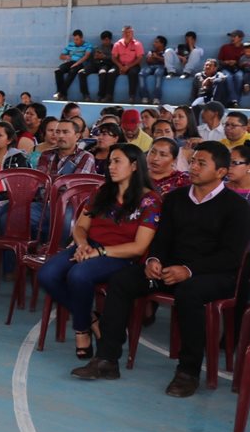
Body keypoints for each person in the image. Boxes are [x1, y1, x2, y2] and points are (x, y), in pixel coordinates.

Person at [72, 141, 250, 397]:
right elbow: (162, 238)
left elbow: (230, 256)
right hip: (168, 270)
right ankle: (106, 360)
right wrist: (153, 260)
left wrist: (188, 270)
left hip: (214, 275)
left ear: (221, 172)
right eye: (193, 162)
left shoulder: (237, 208)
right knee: (122, 280)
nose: (194, 167)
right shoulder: (176, 199)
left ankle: (188, 372)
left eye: (202, 163)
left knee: (189, 293)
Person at [38, 144, 161, 358]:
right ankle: (90, 318)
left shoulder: (150, 201)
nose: (110, 166)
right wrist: (83, 244)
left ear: (133, 166)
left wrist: (99, 252)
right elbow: (80, 227)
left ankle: (81, 329)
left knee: (79, 274)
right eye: (110, 161)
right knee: (47, 274)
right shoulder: (103, 191)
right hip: (89, 247)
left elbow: (139, 247)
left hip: (121, 255)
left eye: (117, 161)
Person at [54, 29, 93, 100]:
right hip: (71, 62)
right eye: (74, 39)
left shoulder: (88, 45)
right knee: (58, 71)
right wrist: (66, 57)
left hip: (80, 63)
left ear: (81, 38)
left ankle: (60, 93)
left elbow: (86, 56)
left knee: (72, 72)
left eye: (77, 39)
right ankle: (62, 93)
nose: (75, 41)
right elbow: (61, 56)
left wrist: (77, 63)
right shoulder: (71, 45)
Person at [111, 25, 145, 103]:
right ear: (122, 34)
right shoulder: (117, 44)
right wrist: (120, 66)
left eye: (129, 32)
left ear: (132, 33)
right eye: (125, 32)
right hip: (120, 65)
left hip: (133, 65)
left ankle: (132, 96)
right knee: (111, 73)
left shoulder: (137, 44)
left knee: (133, 73)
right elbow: (114, 57)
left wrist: (128, 66)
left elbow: (139, 58)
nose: (127, 34)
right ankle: (109, 95)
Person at [139, 35, 167, 105]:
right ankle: (144, 97)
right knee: (141, 74)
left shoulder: (167, 52)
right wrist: (156, 58)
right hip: (151, 67)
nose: (154, 44)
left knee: (158, 73)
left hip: (161, 67)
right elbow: (148, 61)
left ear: (162, 44)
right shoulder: (151, 52)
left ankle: (156, 98)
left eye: (156, 42)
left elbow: (167, 62)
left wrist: (157, 57)